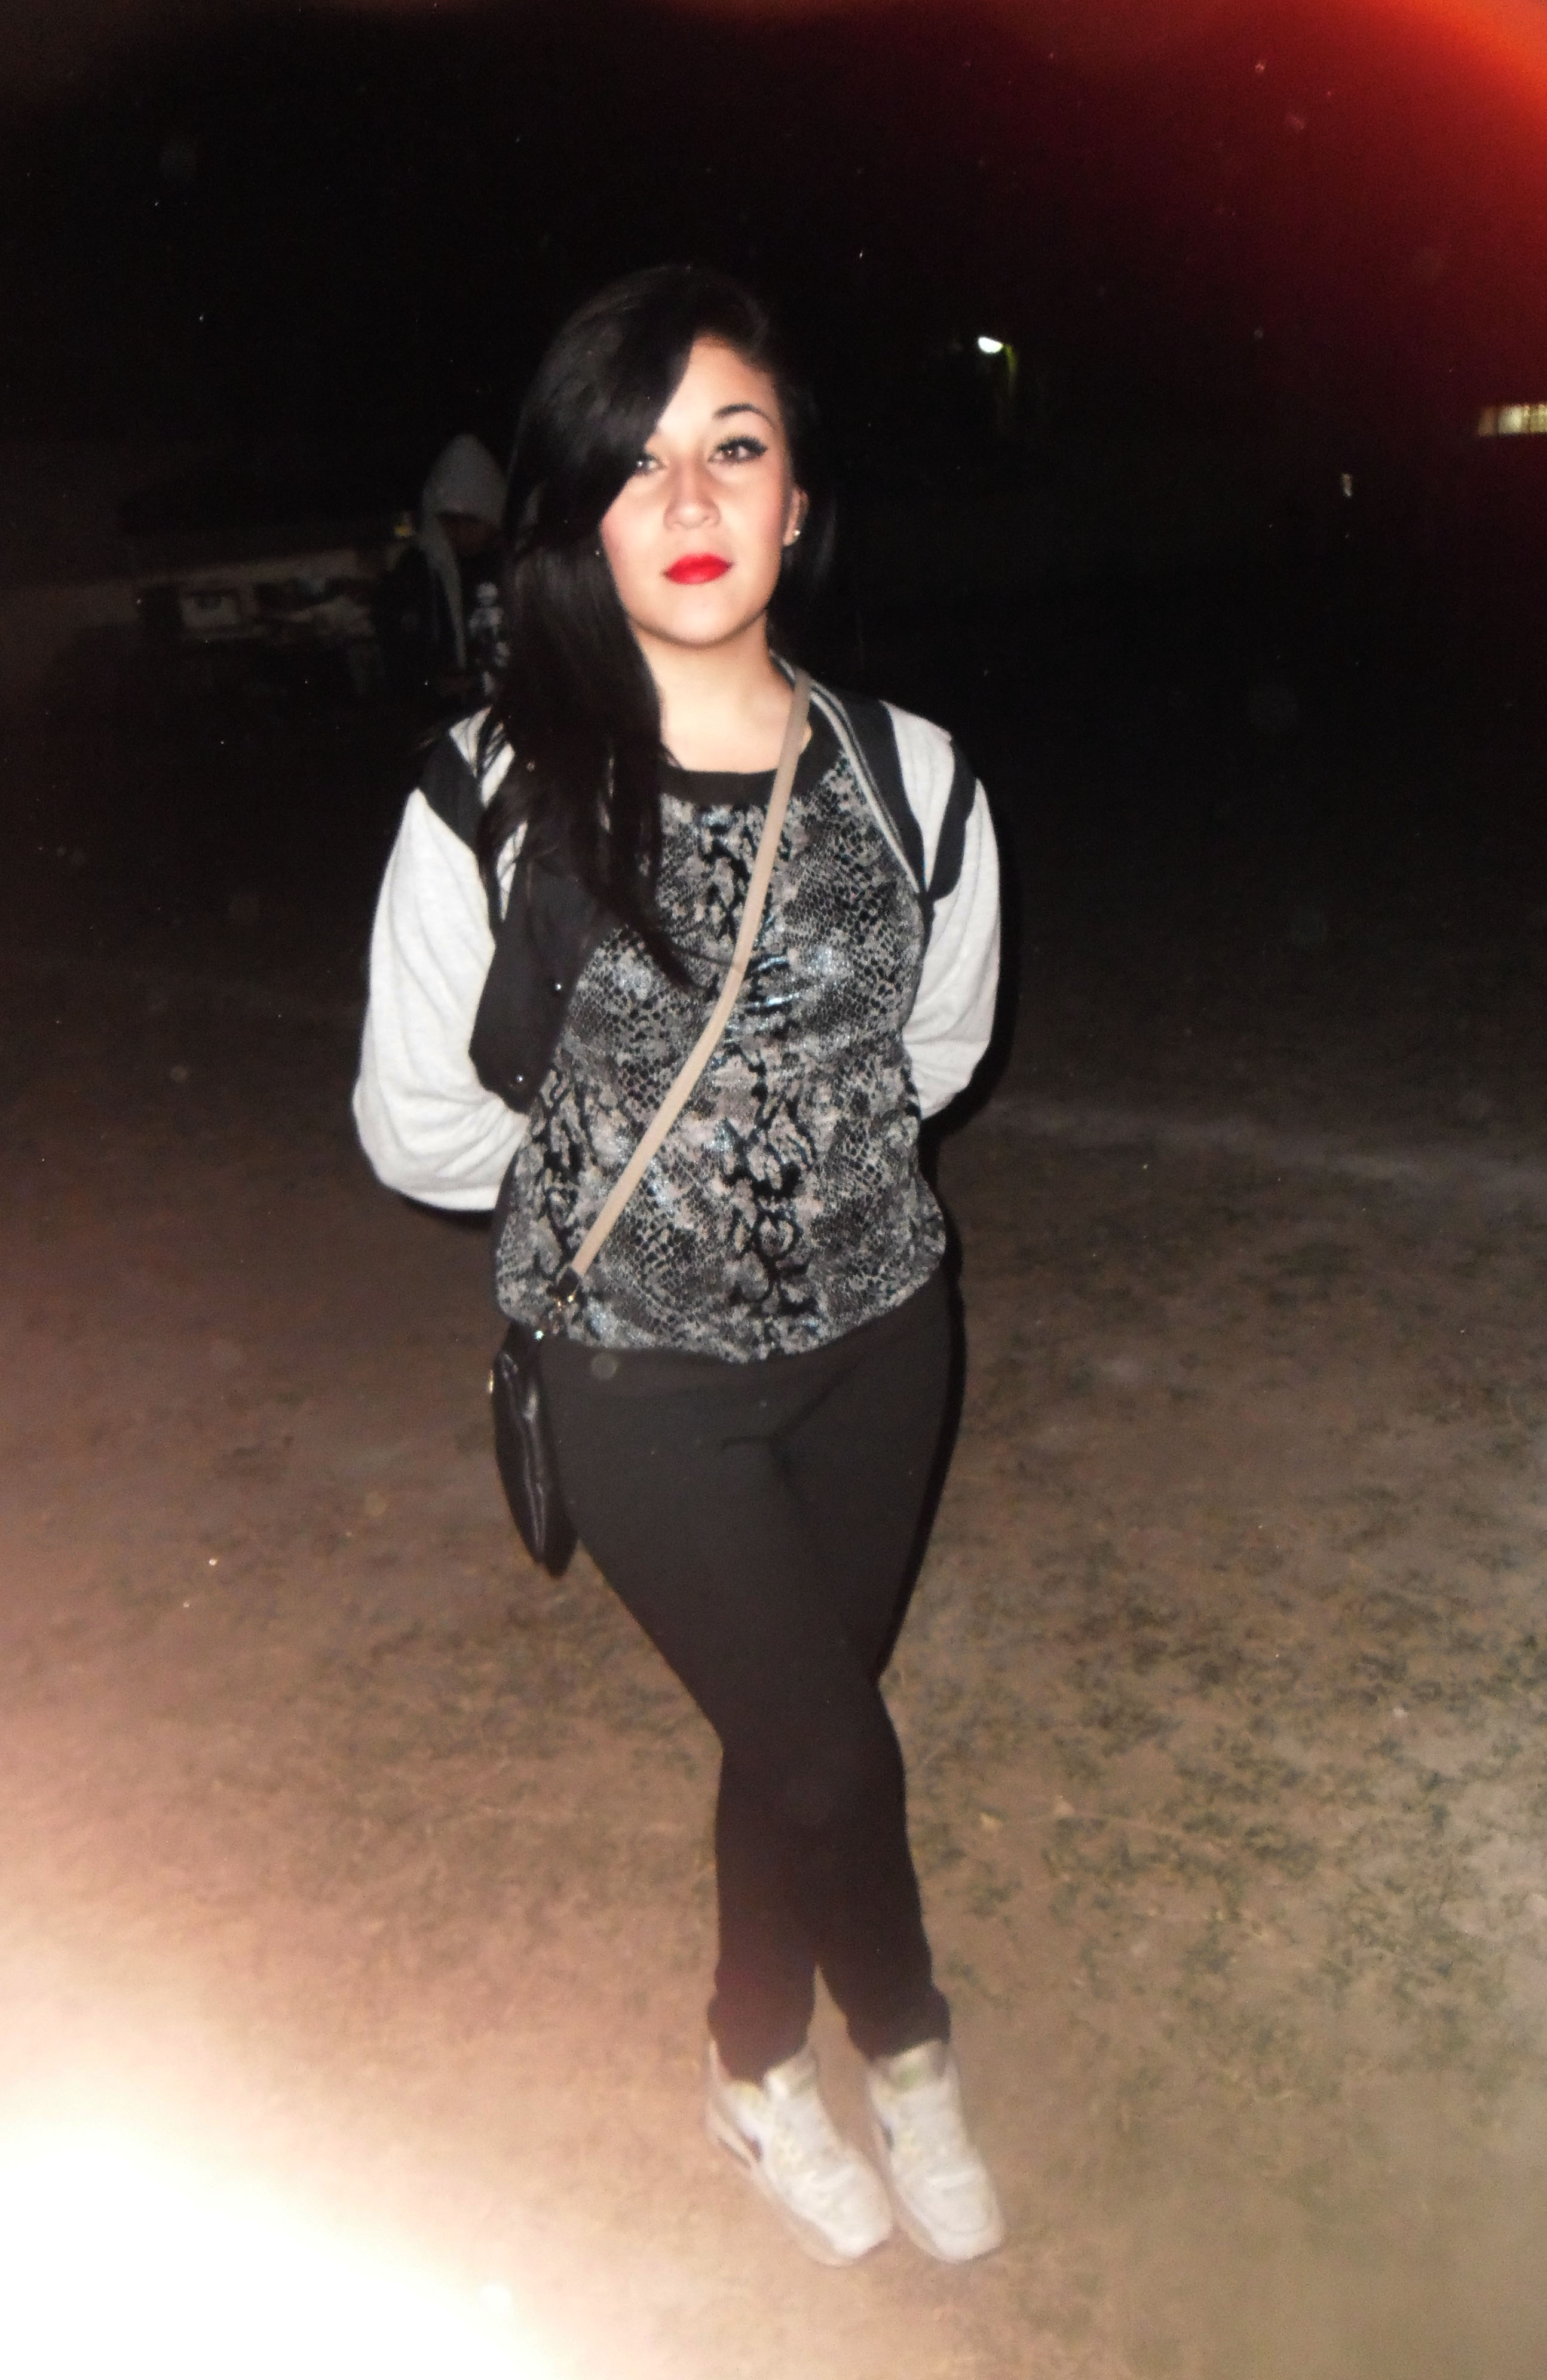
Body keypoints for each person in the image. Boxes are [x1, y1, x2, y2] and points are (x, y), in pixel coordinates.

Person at [353, 266, 1004, 2268]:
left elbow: (935, 1052)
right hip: (640, 1381)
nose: (695, 497)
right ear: (575, 517)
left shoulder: (911, 773)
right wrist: (631, 1196)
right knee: (832, 1748)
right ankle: (906, 2054)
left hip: (885, 1344)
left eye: (735, 444)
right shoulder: (493, 794)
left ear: (798, 494)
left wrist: (804, 1169)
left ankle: (749, 2065)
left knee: (787, 1732)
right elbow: (419, 1124)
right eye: (638, 465)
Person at [376, 431, 510, 707]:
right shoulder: (418, 570)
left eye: (471, 522)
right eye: (450, 521)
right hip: (443, 712)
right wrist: (433, 681)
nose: (460, 533)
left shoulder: (511, 564)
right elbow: (399, 650)